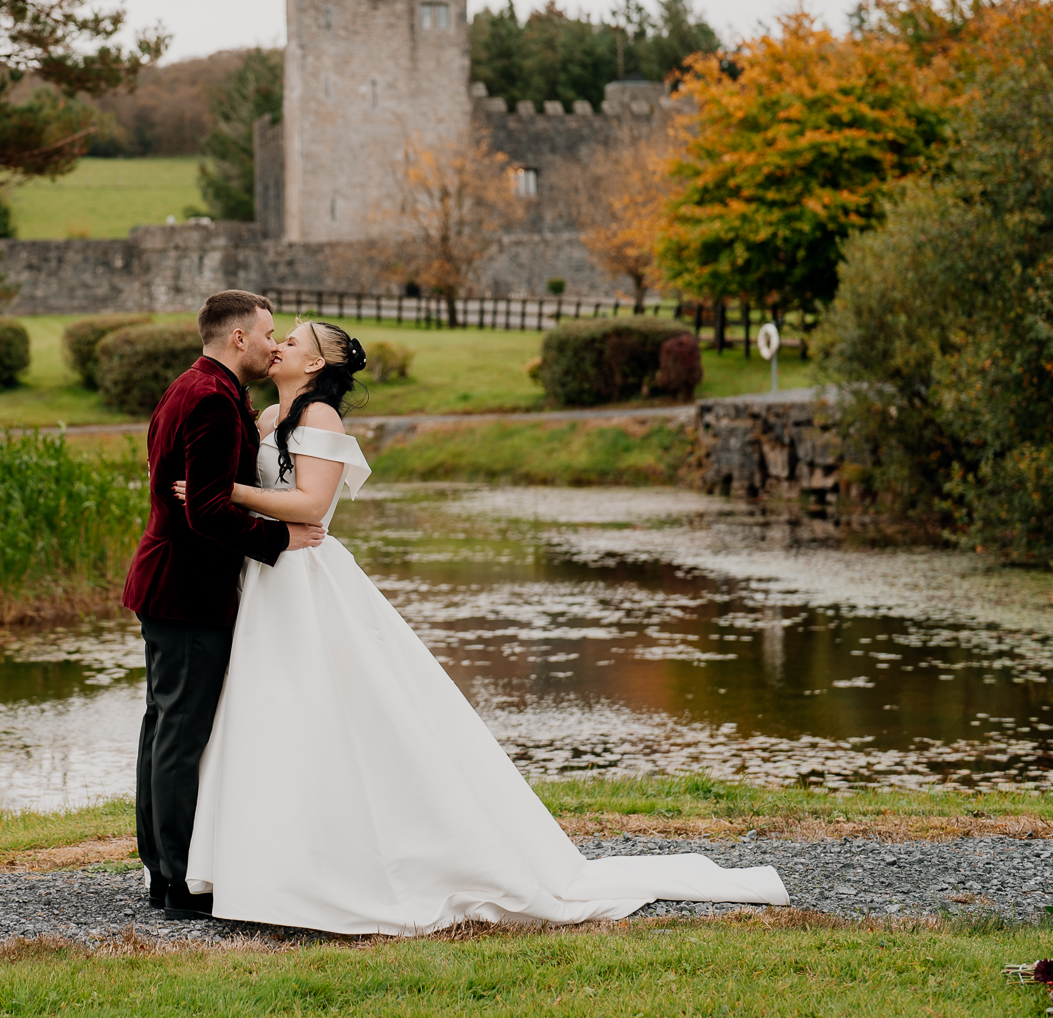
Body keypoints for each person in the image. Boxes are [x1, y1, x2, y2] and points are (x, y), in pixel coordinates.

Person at [173, 318, 790, 934]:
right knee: (274, 712)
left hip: (309, 577)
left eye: (292, 341)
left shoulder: (320, 421)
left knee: (333, 708)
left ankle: (348, 866)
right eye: (275, 337)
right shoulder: (264, 422)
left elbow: (310, 507)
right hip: (270, 581)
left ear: (312, 366)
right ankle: (270, 864)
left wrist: (227, 491)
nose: (277, 345)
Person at [120, 290, 326, 920]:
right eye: (268, 333)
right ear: (239, 337)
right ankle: (178, 879)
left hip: (171, 583)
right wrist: (279, 538)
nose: (273, 343)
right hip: (188, 587)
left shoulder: (195, 385)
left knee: (164, 724)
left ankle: (162, 867)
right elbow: (205, 509)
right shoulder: (211, 399)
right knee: (179, 731)